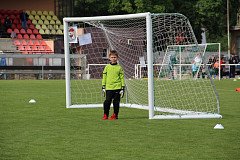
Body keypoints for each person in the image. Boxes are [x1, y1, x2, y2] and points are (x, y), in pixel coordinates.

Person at [102, 50, 125, 120]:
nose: (113, 58)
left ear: (117, 58)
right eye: (112, 57)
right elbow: (104, 77)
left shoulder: (119, 68)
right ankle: (105, 114)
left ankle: (115, 115)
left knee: (116, 102)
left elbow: (122, 78)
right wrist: (103, 86)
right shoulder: (107, 67)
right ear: (109, 58)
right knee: (107, 101)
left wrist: (122, 87)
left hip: (117, 87)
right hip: (109, 87)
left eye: (115, 57)